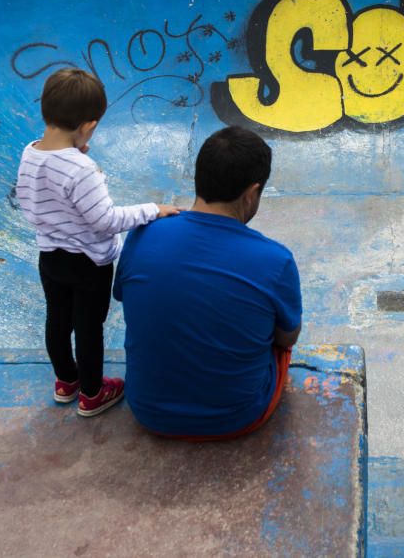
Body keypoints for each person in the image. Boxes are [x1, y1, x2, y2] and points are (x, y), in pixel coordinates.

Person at [114, 126, 302, 440]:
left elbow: (123, 295)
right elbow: (286, 338)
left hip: (147, 410)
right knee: (278, 339)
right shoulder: (275, 260)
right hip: (237, 418)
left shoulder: (142, 234)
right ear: (251, 193)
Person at [15, 68, 179, 417]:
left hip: (50, 257)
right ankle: (92, 393)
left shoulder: (29, 152)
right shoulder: (81, 169)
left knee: (57, 321)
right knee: (89, 328)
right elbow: (106, 222)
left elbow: (30, 203)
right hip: (88, 263)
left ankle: (66, 381)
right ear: (88, 125)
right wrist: (153, 210)